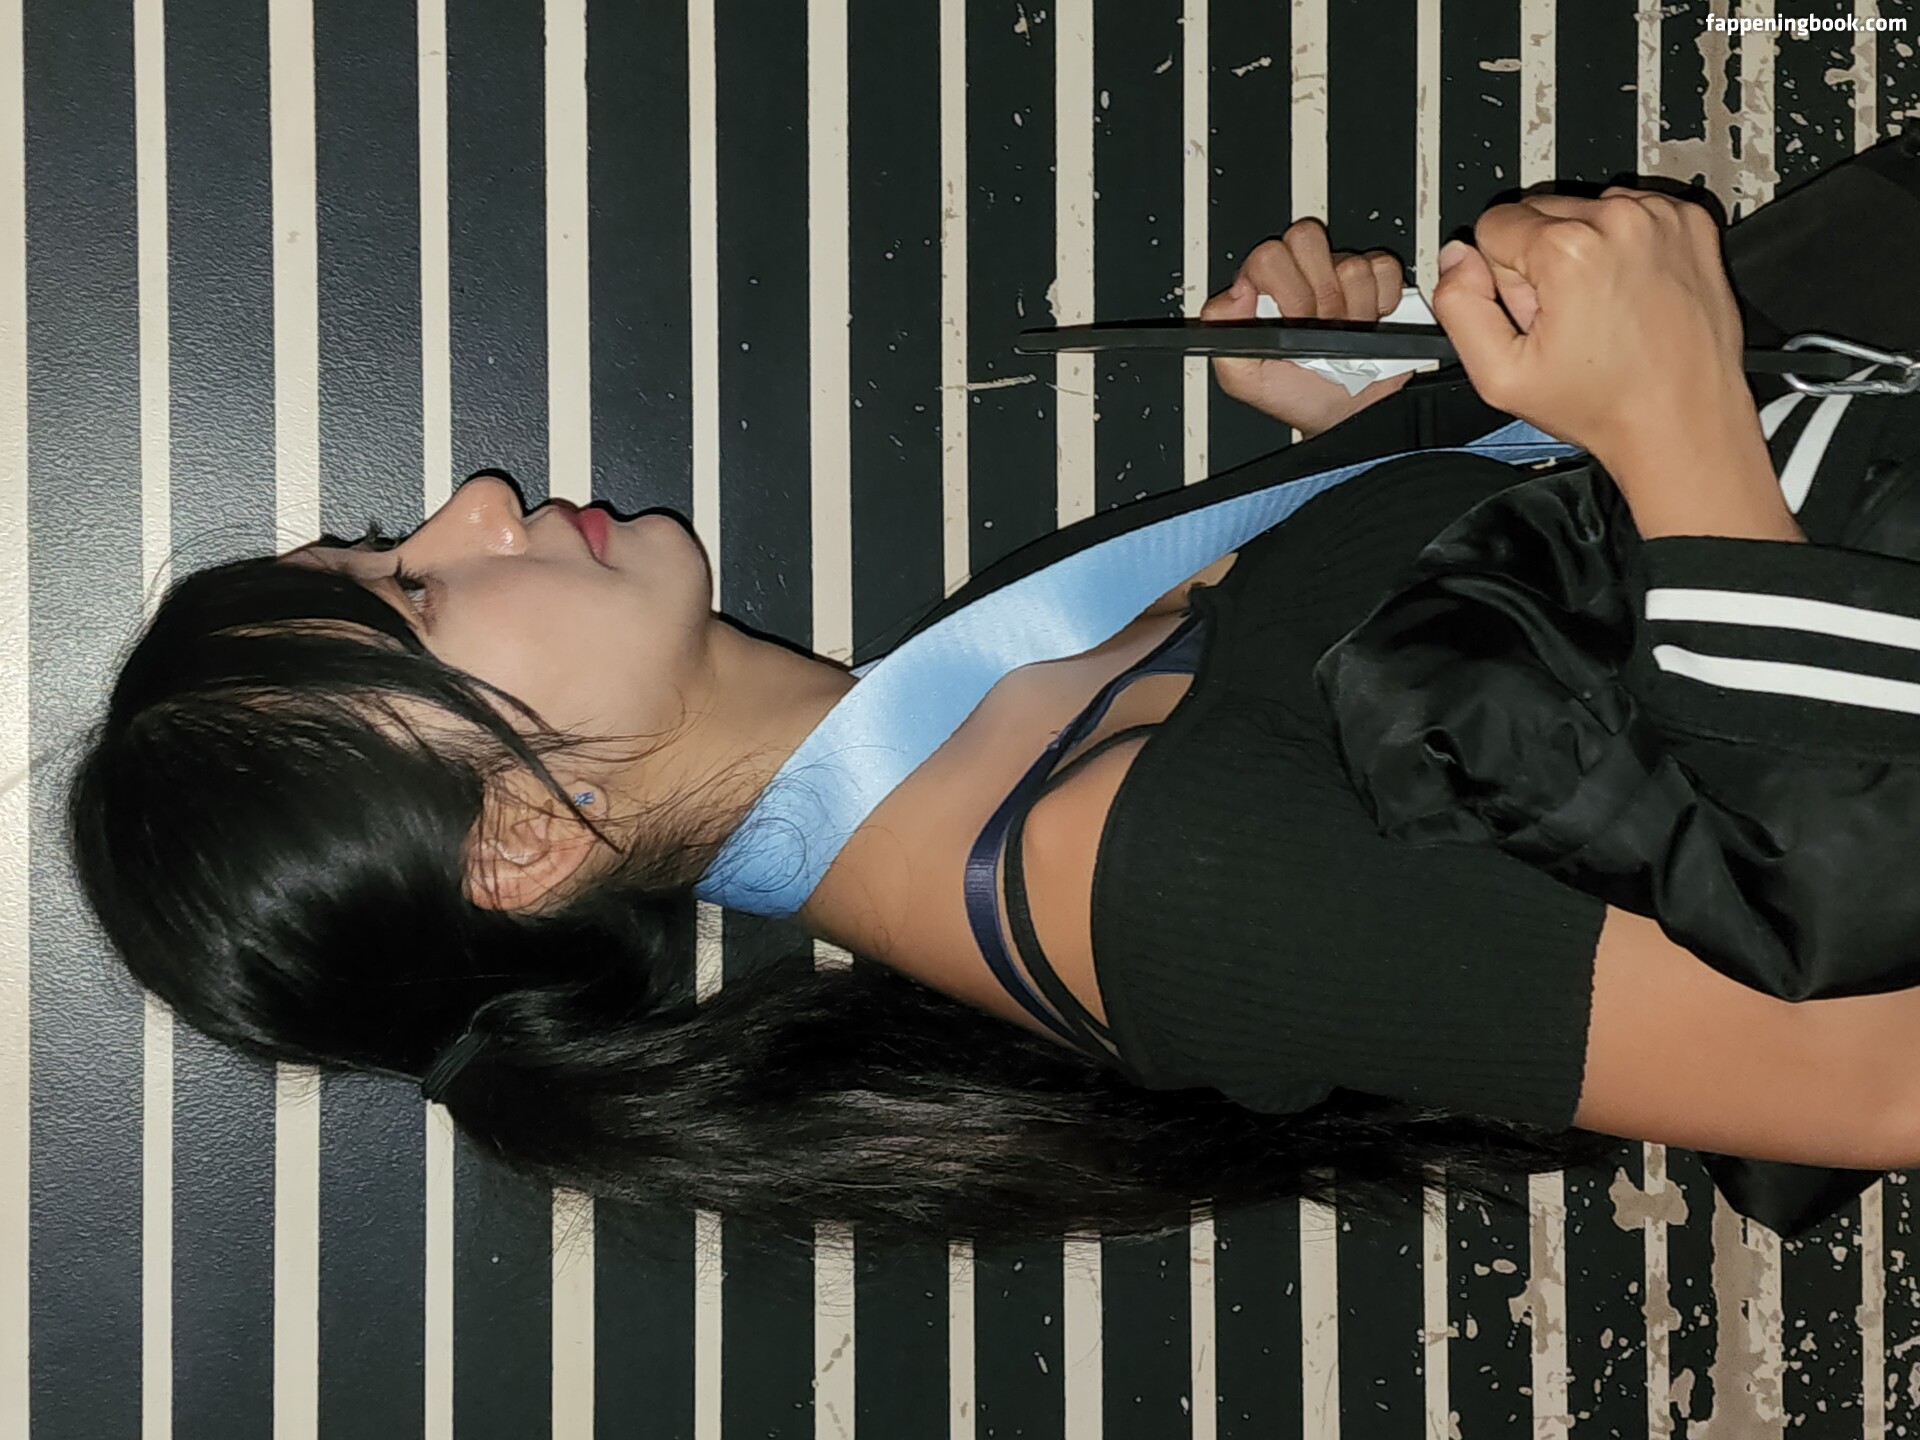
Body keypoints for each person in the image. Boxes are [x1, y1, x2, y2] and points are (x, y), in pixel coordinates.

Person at [67, 137, 1920, 1249]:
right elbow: (1872, 1072)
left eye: (386, 535)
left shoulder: (985, 703)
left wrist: (1378, 417)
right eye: (411, 597)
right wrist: (1674, 408)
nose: (475, 507)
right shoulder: (1163, 894)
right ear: (523, 840)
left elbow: (1542, 735)